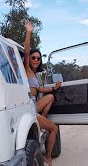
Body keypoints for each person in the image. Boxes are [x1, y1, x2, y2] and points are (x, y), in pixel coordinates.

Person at [24, 20, 60, 166]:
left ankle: (42, 118)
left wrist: (53, 88)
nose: (36, 60)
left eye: (38, 58)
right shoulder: (26, 70)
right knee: (54, 129)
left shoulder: (35, 74)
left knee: (50, 96)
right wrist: (28, 32)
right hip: (28, 108)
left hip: (33, 104)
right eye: (33, 58)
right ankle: (48, 157)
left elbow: (39, 90)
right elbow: (26, 51)